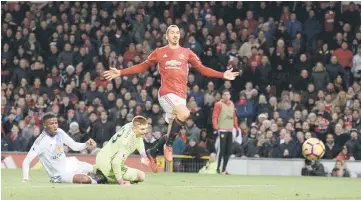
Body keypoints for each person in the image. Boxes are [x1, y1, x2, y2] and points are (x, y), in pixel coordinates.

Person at [104, 25, 239, 172]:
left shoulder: (187, 53)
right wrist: (121, 72)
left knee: (171, 131)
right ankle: (168, 146)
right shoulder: (159, 52)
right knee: (185, 114)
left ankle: (153, 152)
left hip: (181, 97)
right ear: (167, 36)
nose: (175, 35)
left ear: (180, 36)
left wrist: (222, 74)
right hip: (166, 94)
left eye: (177, 32)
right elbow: (142, 66)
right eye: (172, 33)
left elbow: (202, 68)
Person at [22, 112, 97, 184]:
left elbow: (74, 146)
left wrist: (86, 144)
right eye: (51, 123)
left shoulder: (60, 132)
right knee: (84, 179)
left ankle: (97, 177)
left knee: (96, 169)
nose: (55, 126)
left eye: (56, 123)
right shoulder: (40, 142)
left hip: (69, 163)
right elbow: (26, 161)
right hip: (59, 174)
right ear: (45, 125)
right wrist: (25, 179)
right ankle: (96, 180)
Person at [93, 116, 149, 185]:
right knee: (141, 176)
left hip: (101, 157)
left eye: (146, 128)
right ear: (135, 128)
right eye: (142, 129)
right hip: (109, 165)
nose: (145, 131)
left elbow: (139, 138)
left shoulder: (130, 125)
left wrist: (143, 155)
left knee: (141, 175)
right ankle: (103, 177)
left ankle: (97, 171)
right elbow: (115, 162)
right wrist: (121, 182)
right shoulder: (127, 142)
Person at [212, 90, 239, 174]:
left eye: (228, 94)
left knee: (228, 150)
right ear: (222, 96)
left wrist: (236, 128)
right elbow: (215, 116)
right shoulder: (219, 104)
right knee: (221, 149)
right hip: (222, 129)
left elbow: (234, 117)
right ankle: (217, 168)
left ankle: (224, 169)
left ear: (230, 96)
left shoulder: (232, 104)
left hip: (230, 129)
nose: (227, 96)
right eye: (225, 94)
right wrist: (216, 127)